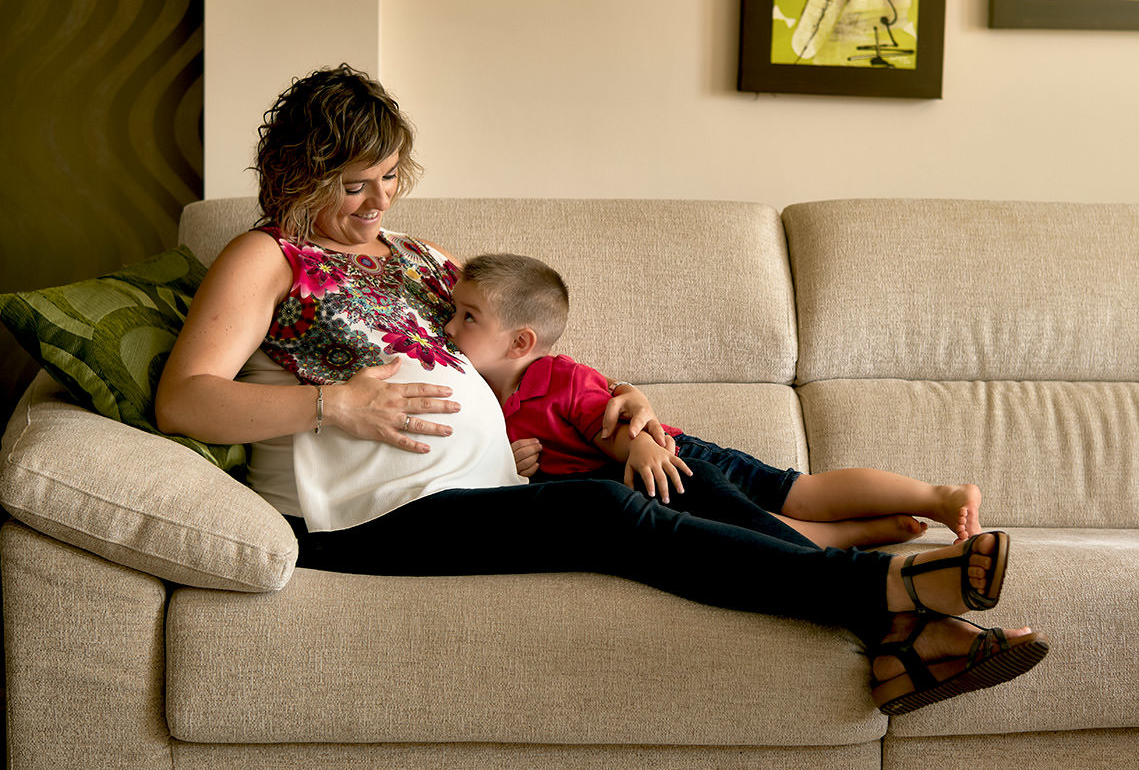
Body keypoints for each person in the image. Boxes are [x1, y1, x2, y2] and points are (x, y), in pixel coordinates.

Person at [155, 63, 1048, 716]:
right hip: (366, 514)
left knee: (665, 471)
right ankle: (888, 594)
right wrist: (332, 404)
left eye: (391, 176)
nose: (377, 201)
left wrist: (626, 403)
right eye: (354, 184)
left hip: (486, 482)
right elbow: (186, 398)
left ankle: (909, 641)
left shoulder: (420, 258)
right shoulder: (266, 255)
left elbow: (519, 352)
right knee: (603, 514)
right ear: (297, 175)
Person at [445, 252, 980, 550]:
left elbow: (609, 426)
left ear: (520, 342)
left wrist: (642, 451)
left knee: (795, 494)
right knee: (747, 529)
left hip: (678, 460)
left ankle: (937, 496)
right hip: (637, 491)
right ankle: (861, 535)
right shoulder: (483, 399)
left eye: (468, 317)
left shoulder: (556, 378)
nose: (447, 327)